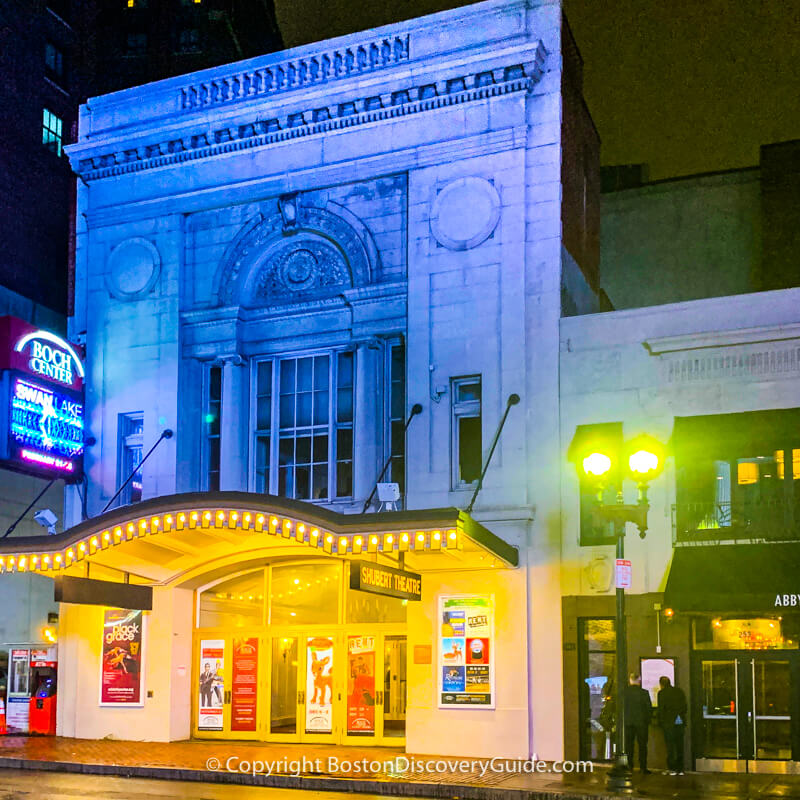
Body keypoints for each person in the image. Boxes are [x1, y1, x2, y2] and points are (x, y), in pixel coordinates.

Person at [658, 675, 687, 775]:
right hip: (680, 722)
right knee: (680, 746)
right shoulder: (679, 691)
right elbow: (685, 707)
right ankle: (680, 769)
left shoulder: (662, 693)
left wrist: (661, 722)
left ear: (661, 684)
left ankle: (672, 769)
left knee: (670, 747)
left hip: (668, 723)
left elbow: (661, 709)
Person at [624, 673, 652, 774]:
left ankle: (629, 765)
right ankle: (643, 767)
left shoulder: (624, 692)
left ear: (630, 680)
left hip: (628, 723)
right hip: (641, 723)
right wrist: (648, 720)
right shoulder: (644, 693)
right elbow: (648, 709)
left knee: (628, 746)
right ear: (639, 681)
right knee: (642, 746)